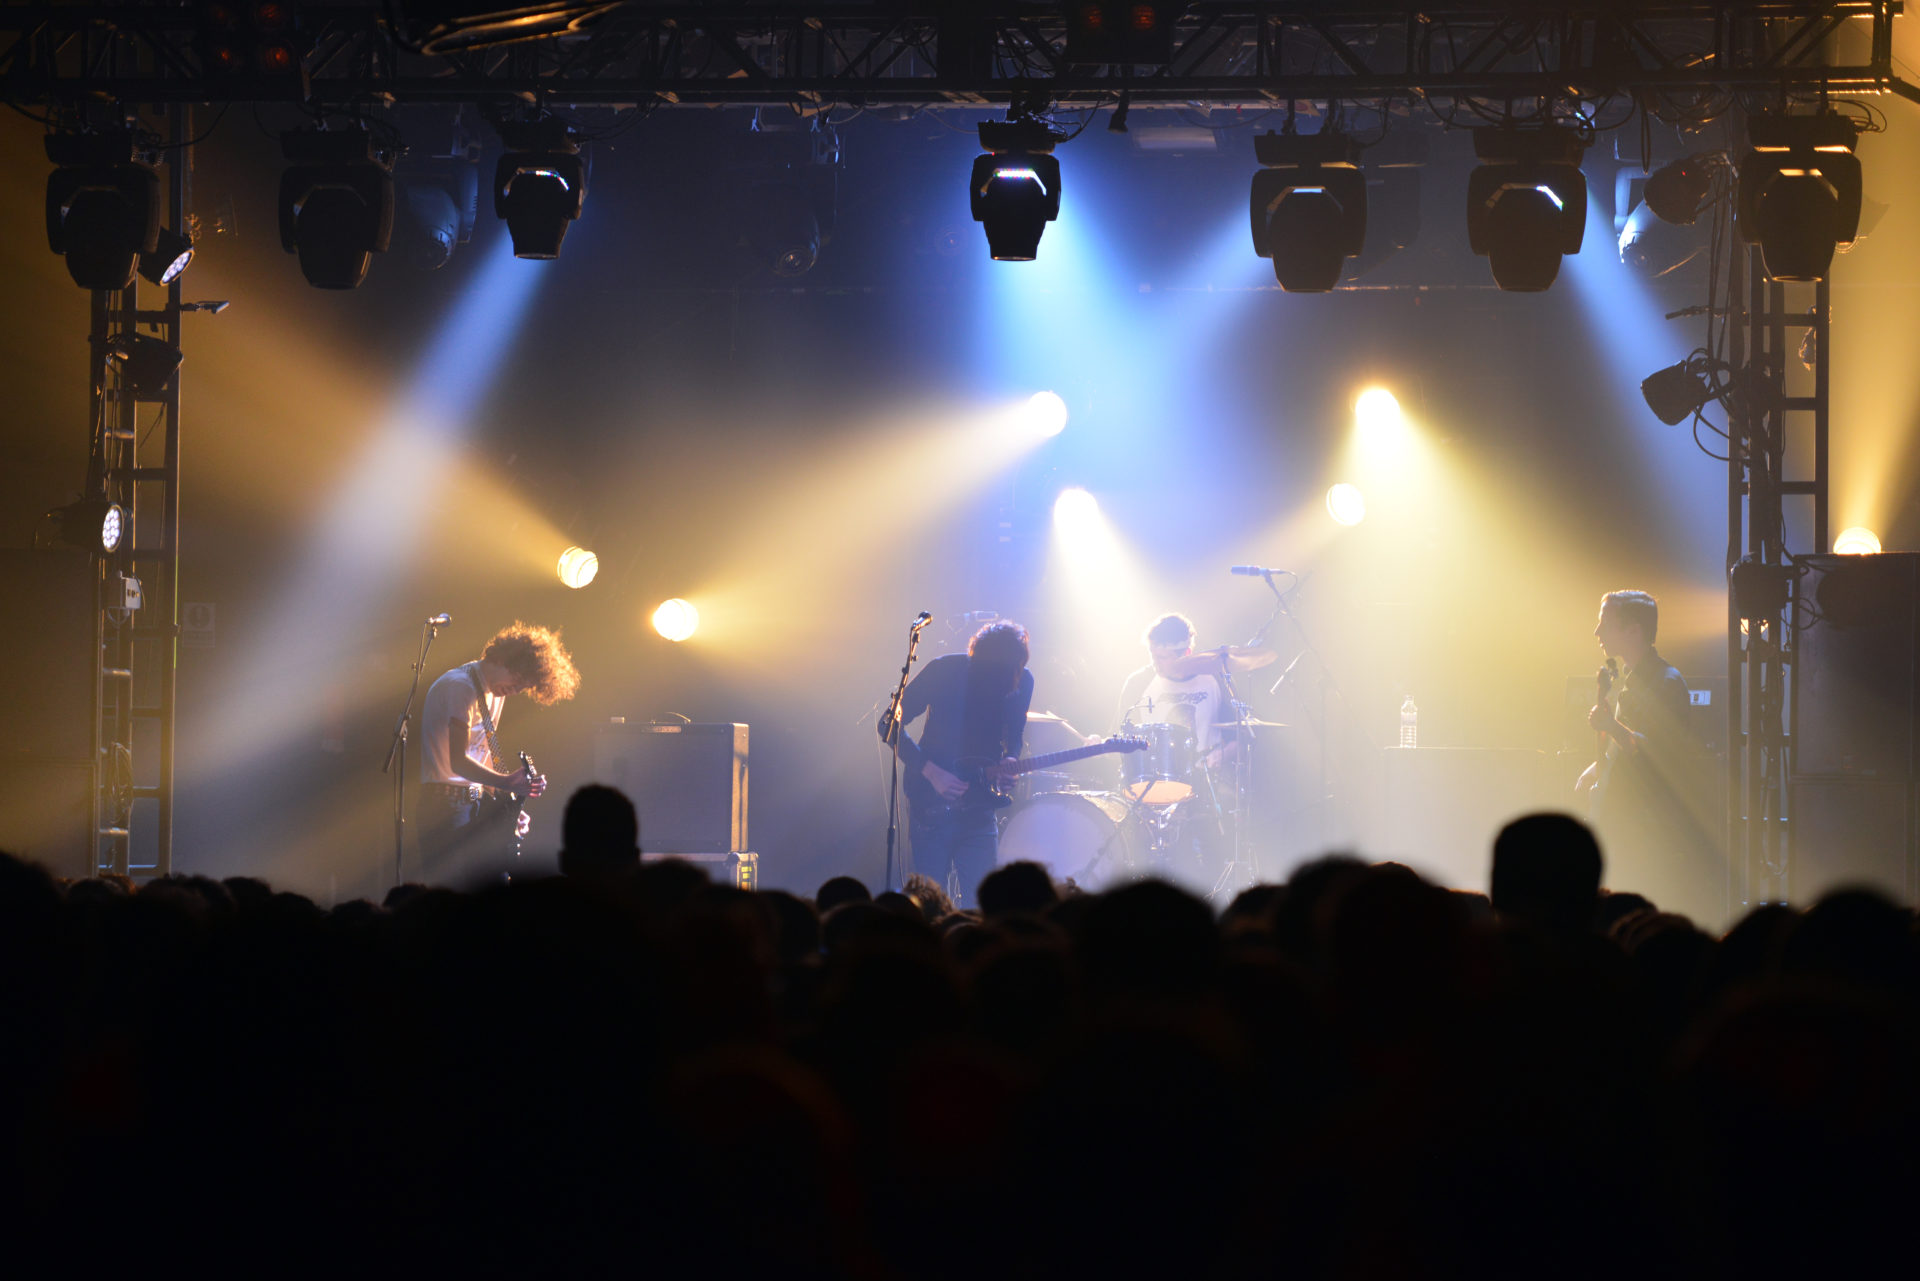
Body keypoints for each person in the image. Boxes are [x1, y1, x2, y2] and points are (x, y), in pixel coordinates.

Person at [1574, 590, 1720, 919]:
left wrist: (1610, 726)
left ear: (1633, 631)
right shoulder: (1632, 681)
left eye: (1605, 624)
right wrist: (1598, 767)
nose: (1597, 632)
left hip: (1649, 827)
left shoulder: (1666, 683)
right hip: (1627, 820)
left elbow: (1654, 750)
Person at [880, 619, 1034, 909]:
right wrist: (931, 772)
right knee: (929, 904)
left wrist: (1010, 759)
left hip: (979, 805)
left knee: (983, 902)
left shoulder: (1023, 680)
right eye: (999, 674)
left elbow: (1015, 733)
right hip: (931, 802)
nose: (1008, 681)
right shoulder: (944, 670)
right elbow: (888, 724)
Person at [417, 620, 580, 883]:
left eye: (522, 688)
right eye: (517, 681)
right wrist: (505, 781)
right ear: (505, 659)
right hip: (444, 808)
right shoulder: (462, 686)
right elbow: (458, 762)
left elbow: (481, 755)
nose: (515, 691)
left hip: (474, 801)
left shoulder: (494, 692)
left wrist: (508, 809)